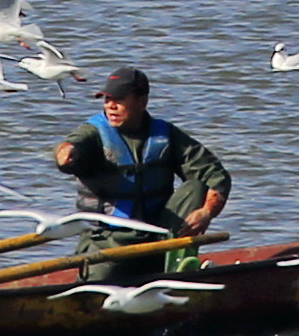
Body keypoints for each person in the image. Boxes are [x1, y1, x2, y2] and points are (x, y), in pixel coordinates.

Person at [55, 68, 229, 241]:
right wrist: (65, 154)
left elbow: (214, 173)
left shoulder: (165, 135)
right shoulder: (93, 131)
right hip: (107, 239)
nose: (111, 106)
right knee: (104, 265)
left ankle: (175, 258)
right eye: (107, 99)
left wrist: (207, 212)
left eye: (119, 99)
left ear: (142, 102)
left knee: (196, 187)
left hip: (157, 234)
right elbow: (74, 144)